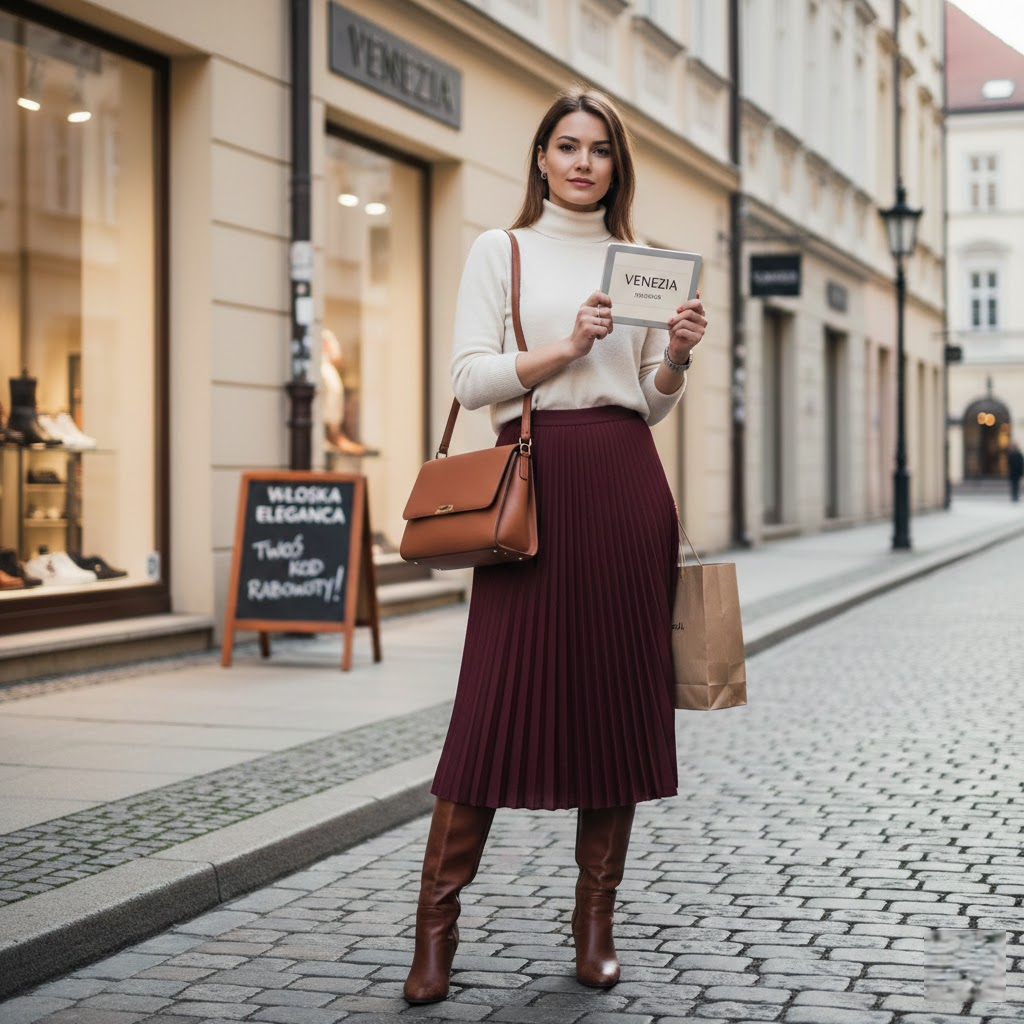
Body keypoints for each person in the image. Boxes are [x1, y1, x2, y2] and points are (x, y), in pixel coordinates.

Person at [402, 87, 707, 1005]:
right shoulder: (502, 251)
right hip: (532, 487)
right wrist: (567, 345)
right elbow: (471, 375)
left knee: (617, 707)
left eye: (599, 149)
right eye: (566, 146)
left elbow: (645, 400)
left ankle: (595, 924)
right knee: (492, 707)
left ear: (617, 164)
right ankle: (435, 932)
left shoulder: (645, 262)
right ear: (540, 157)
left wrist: (677, 356)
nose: (581, 162)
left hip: (625, 487)